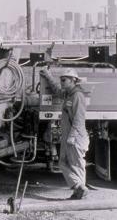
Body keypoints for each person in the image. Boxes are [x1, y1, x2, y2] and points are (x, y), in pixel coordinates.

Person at [39, 68, 90, 199]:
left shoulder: (77, 96)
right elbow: (56, 90)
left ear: (73, 80)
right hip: (69, 136)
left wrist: (72, 137)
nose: (61, 82)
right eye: (61, 80)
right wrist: (49, 76)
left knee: (76, 164)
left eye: (64, 80)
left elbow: (79, 118)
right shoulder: (68, 94)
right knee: (64, 163)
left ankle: (79, 190)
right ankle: (79, 188)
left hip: (76, 137)